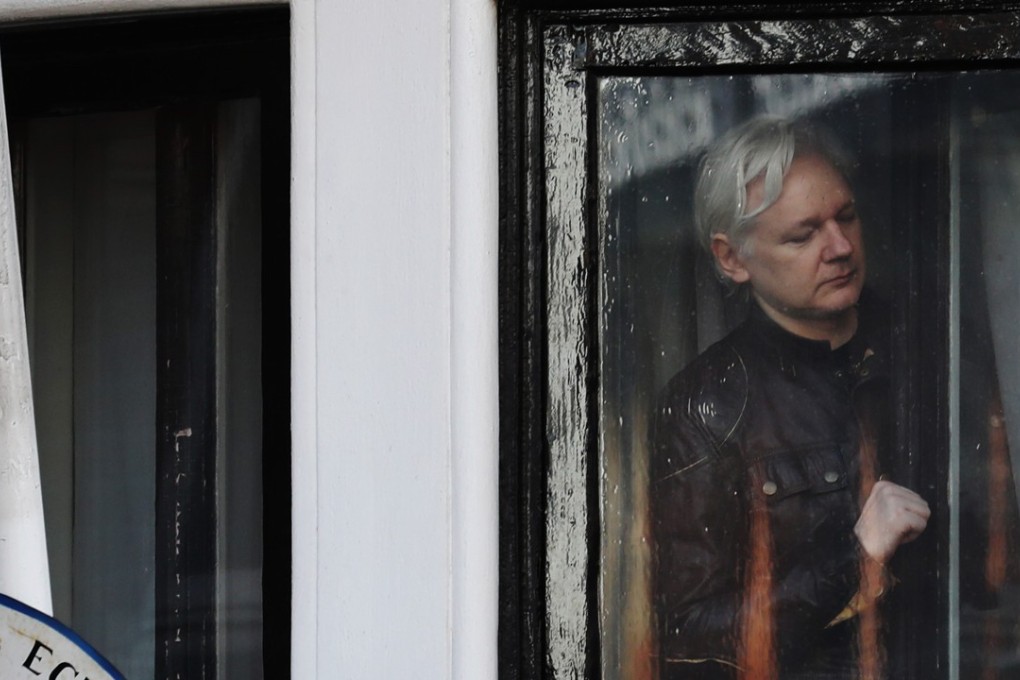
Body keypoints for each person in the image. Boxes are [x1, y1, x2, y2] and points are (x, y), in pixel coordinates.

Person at [648, 116, 930, 679]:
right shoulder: (709, 407)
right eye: (803, 235)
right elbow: (690, 639)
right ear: (732, 258)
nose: (840, 246)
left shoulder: (929, 340)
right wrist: (856, 558)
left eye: (846, 216)